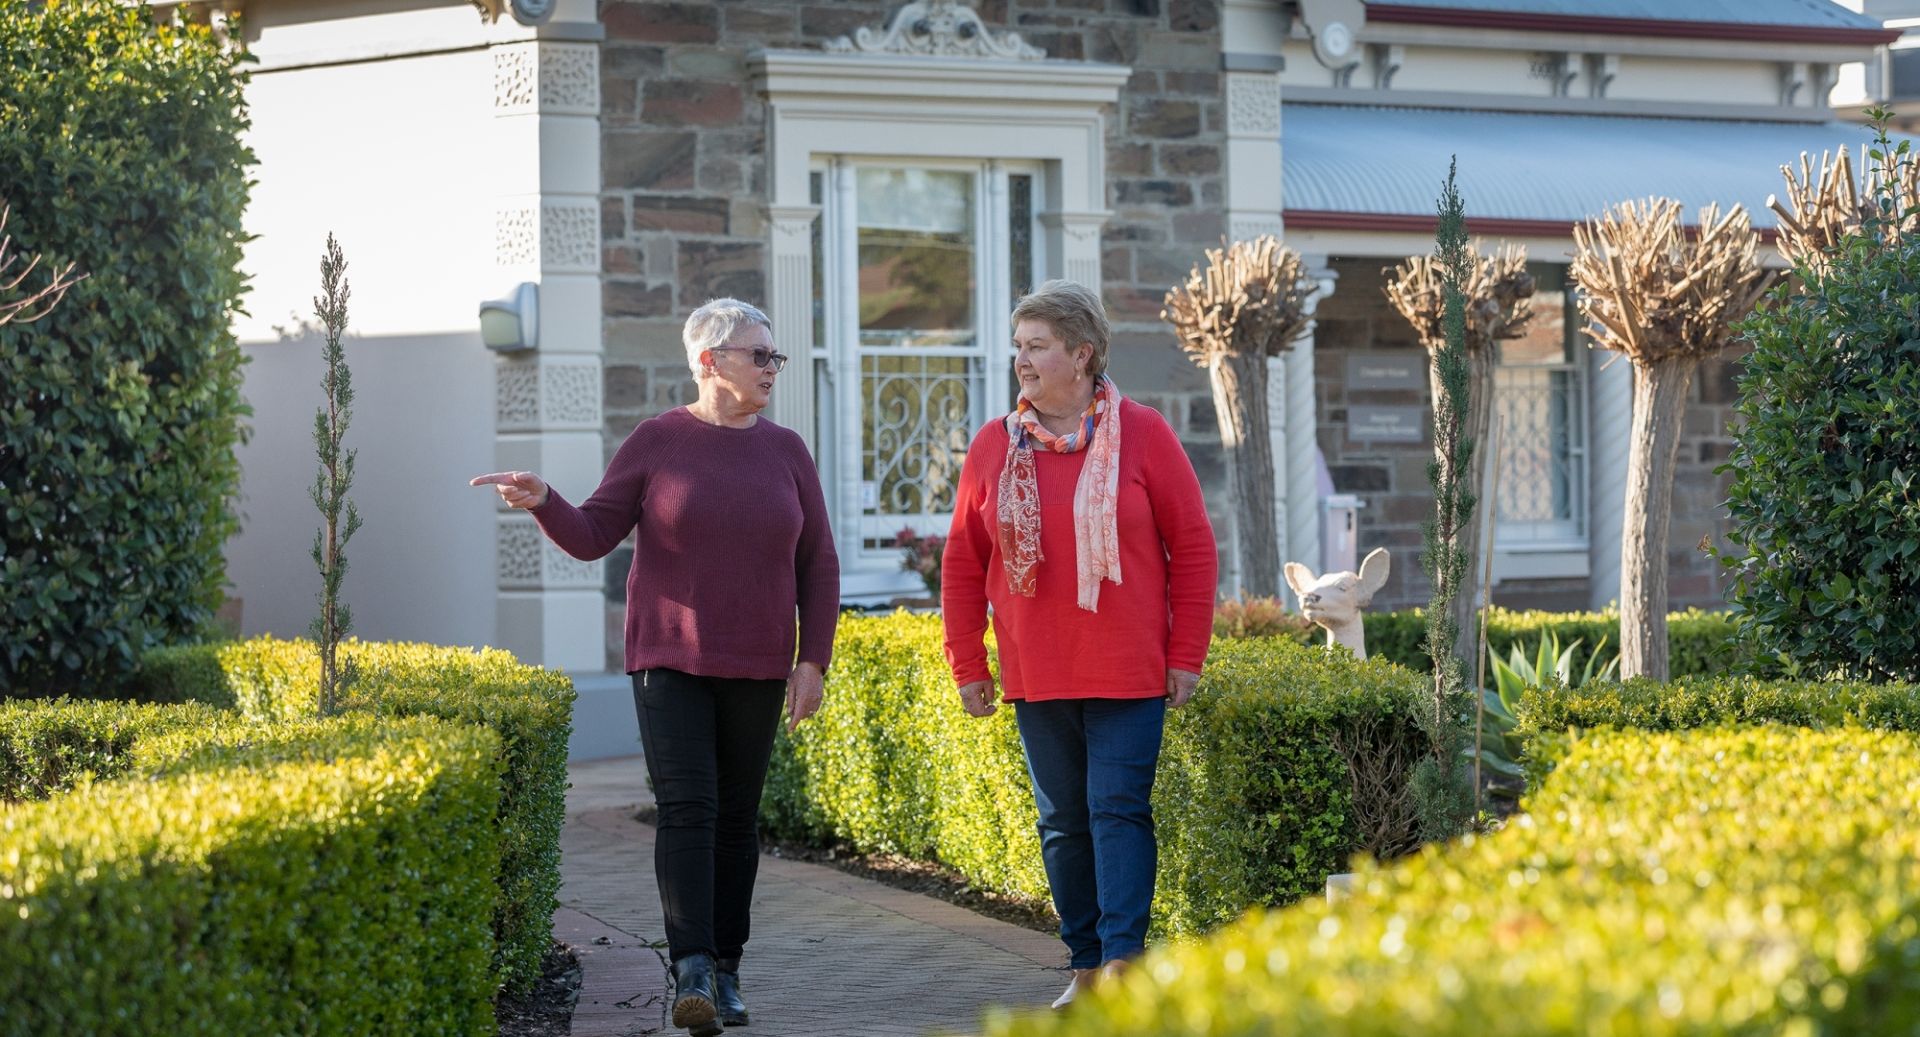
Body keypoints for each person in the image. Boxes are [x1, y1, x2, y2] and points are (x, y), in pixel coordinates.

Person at [472, 298, 838, 1037]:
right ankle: (693, 968)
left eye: (775, 356)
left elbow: (819, 563)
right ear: (710, 361)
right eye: (758, 355)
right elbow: (594, 533)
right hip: (668, 659)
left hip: (759, 664)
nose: (772, 368)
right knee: (688, 810)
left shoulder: (789, 451)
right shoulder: (657, 441)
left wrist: (813, 661)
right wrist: (546, 501)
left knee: (736, 820)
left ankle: (727, 970)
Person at [939, 279, 1217, 1009]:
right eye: (1019, 346)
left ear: (1082, 352)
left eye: (1036, 345)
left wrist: (1187, 652)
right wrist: (968, 661)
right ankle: (1086, 961)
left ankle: (1126, 958)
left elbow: (1191, 546)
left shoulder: (1146, 434)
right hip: (1038, 666)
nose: (1021, 360)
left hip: (1129, 666)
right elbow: (965, 563)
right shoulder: (995, 445)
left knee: (1117, 806)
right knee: (1062, 818)